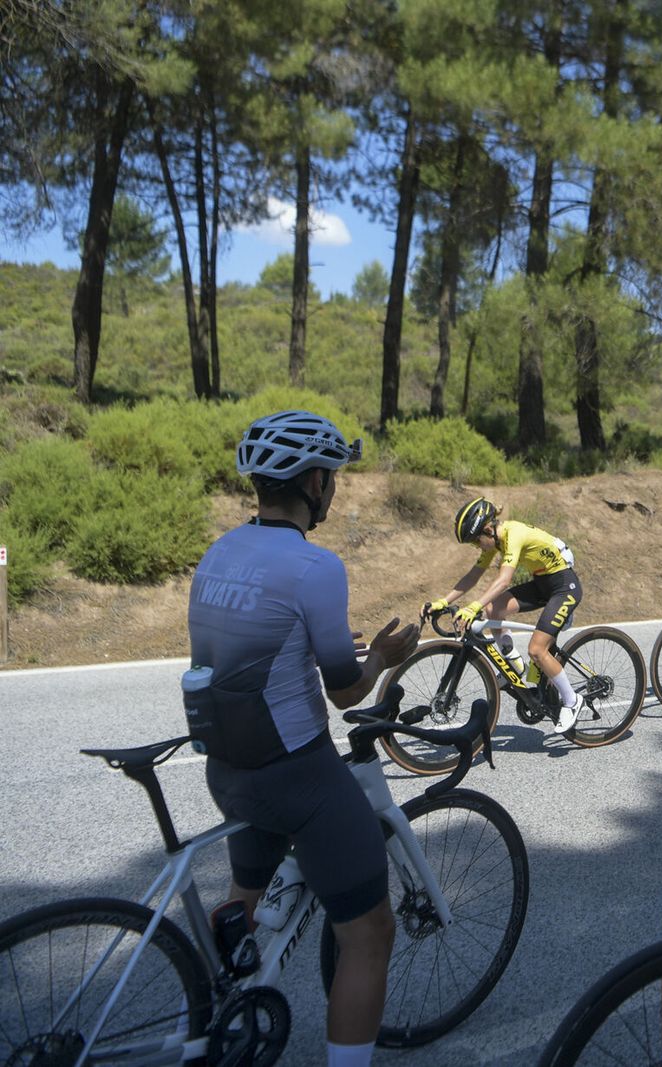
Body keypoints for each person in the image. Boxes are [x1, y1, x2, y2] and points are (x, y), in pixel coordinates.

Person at [189, 410, 419, 1067]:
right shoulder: (315, 565)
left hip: (229, 770)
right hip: (299, 778)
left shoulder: (219, 551)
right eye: (335, 477)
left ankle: (214, 1018)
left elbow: (234, 657)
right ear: (315, 482)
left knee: (245, 899)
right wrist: (381, 656)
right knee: (371, 931)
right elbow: (346, 693)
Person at [428, 497, 584, 731]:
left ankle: (572, 702)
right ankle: (514, 664)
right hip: (542, 584)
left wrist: (473, 607)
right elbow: (473, 576)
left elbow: (503, 580)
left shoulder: (514, 534)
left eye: (476, 541)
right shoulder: (495, 541)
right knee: (493, 609)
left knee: (537, 650)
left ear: (488, 530)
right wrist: (443, 600)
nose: (477, 547)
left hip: (563, 586)